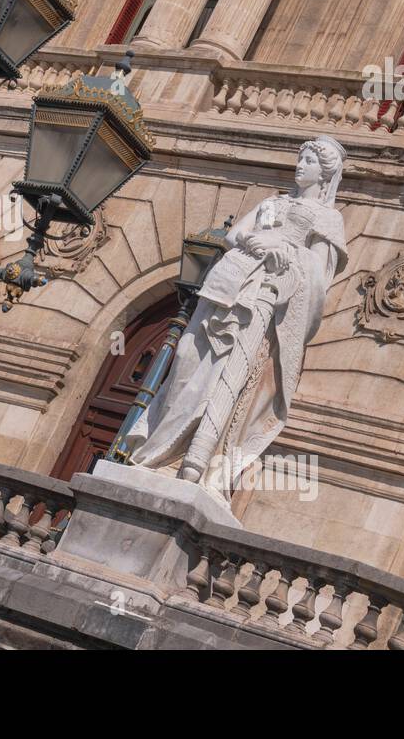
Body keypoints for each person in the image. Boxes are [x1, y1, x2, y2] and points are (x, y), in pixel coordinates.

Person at [123, 135, 348, 498]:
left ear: (325, 174)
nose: (300, 165)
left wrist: (287, 255)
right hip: (229, 289)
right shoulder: (273, 203)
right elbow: (237, 234)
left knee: (228, 379)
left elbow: (318, 280)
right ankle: (155, 449)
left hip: (263, 303)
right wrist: (258, 241)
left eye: (309, 161)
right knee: (184, 358)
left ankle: (195, 461)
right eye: (300, 157)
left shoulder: (327, 219)